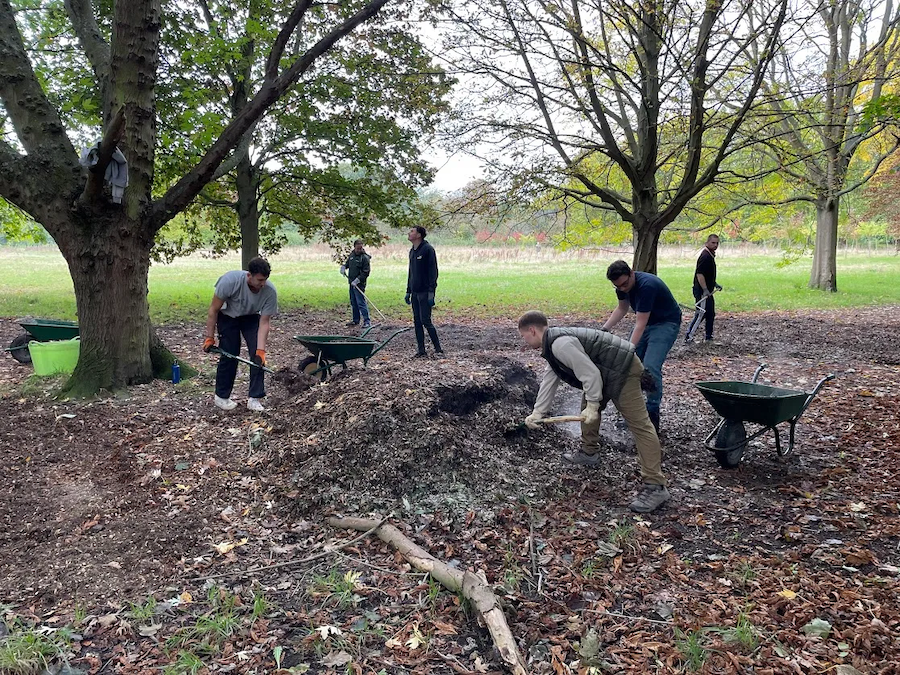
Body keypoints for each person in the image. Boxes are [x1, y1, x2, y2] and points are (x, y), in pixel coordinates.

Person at [518, 311, 670, 513]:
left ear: (532, 330)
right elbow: (550, 379)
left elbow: (590, 374)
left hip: (623, 369)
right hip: (607, 371)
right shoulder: (553, 344)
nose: (524, 340)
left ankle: (656, 485)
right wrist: (538, 413)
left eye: (523, 336)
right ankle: (589, 452)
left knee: (640, 426)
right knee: (587, 407)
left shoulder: (559, 344)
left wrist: (593, 405)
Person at [601, 260, 681, 433]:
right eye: (618, 286)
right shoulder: (622, 287)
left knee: (650, 367)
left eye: (625, 284)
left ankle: (652, 415)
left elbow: (640, 323)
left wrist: (628, 350)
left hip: (665, 322)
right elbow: (622, 309)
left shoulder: (647, 286)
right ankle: (634, 414)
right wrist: (604, 329)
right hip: (646, 323)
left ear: (631, 272)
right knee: (629, 367)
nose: (623, 289)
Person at [202, 257, 278, 412]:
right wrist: (210, 337)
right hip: (228, 317)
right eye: (259, 280)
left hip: (251, 318)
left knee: (257, 356)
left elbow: (264, 323)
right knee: (230, 353)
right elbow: (213, 310)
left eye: (265, 280)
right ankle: (222, 397)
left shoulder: (270, 292)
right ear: (248, 276)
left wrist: (261, 351)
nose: (262, 284)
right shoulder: (230, 281)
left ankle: (255, 398)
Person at [405, 226, 443, 357]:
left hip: (425, 291)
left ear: (419, 235)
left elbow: (433, 272)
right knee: (417, 321)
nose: (409, 233)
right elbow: (411, 272)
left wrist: (431, 292)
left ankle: (438, 349)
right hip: (415, 292)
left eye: (412, 231)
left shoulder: (428, 250)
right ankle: (421, 350)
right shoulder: (412, 251)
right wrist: (408, 290)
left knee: (426, 320)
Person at [685, 234, 723, 343]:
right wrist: (705, 289)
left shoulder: (710, 255)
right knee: (701, 313)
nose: (715, 245)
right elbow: (700, 274)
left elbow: (707, 274)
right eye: (713, 243)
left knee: (710, 313)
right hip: (702, 291)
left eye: (717, 243)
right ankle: (689, 336)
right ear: (707, 243)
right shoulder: (705, 256)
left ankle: (708, 337)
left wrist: (715, 284)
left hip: (708, 290)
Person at [340, 240, 371, 329]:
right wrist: (344, 267)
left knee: (360, 302)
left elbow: (366, 272)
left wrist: (358, 280)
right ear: (354, 247)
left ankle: (367, 321)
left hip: (359, 284)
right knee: (353, 302)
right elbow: (348, 264)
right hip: (351, 282)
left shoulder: (364, 258)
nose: (358, 250)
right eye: (357, 248)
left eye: (360, 248)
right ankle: (355, 320)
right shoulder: (352, 255)